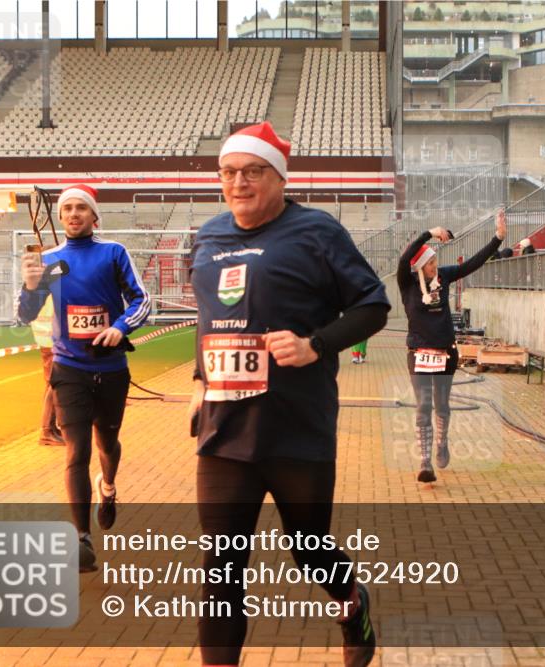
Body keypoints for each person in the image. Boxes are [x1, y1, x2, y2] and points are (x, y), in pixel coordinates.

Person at [187, 121, 388, 667]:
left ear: (278, 178)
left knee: (309, 551)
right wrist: (200, 384)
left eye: (252, 172)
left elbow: (373, 305)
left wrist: (315, 344)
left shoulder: (317, 232)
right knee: (221, 566)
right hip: (225, 432)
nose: (239, 183)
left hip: (297, 427)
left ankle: (352, 602)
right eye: (229, 173)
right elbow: (212, 321)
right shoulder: (207, 238)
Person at [17, 184, 150, 571]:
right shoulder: (52, 261)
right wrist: (29, 286)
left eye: (81, 208)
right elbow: (25, 314)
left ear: (94, 216)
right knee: (77, 451)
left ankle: (107, 488)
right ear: (60, 217)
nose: (73, 214)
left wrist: (121, 327)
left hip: (110, 369)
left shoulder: (113, 253)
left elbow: (143, 300)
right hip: (68, 369)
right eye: (67, 209)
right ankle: (81, 538)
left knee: (107, 444)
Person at [398, 209, 506, 484]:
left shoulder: (444, 279)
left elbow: (471, 264)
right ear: (420, 266)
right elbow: (404, 256)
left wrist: (497, 239)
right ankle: (425, 461)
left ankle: (442, 441)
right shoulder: (407, 283)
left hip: (446, 352)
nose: (435, 266)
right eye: (431, 263)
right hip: (419, 354)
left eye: (436, 262)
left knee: (441, 405)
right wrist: (429, 232)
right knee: (423, 406)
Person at [31, 294, 63, 446]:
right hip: (52, 340)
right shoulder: (52, 287)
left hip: (47, 339)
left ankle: (52, 428)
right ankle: (47, 431)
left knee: (53, 383)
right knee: (53, 384)